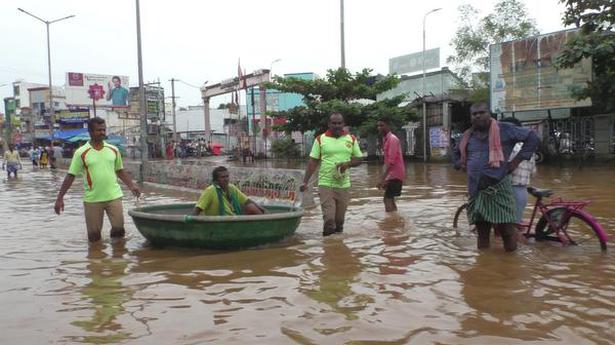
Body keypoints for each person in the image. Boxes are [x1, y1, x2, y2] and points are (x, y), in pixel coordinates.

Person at [453, 102, 539, 252]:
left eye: (482, 112)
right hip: (476, 190)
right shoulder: (467, 136)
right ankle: (484, 263)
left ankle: (511, 264)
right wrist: (459, 163)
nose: (478, 115)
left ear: (490, 114)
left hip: (498, 187)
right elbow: (455, 152)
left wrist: (515, 162)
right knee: (482, 233)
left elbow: (532, 137)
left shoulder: (505, 129)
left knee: (507, 231)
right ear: (471, 117)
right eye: (474, 114)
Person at [54, 117, 141, 242]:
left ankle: (117, 258)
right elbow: (70, 175)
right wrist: (60, 198)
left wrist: (132, 186)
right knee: (94, 237)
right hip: (92, 199)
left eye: (104, 130)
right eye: (98, 130)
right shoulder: (81, 152)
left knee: (119, 230)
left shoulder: (113, 150)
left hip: (114, 196)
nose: (102, 132)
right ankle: (96, 259)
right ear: (90, 131)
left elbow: (120, 170)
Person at [300, 112, 363, 236]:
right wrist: (305, 181)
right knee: (329, 221)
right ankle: (328, 250)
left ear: (343, 124)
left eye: (339, 123)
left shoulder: (351, 139)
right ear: (329, 124)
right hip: (325, 184)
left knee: (339, 222)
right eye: (334, 123)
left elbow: (359, 158)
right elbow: (313, 162)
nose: (337, 125)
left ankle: (337, 250)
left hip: (344, 184)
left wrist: (347, 164)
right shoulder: (320, 139)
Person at [501, 117, 537, 223]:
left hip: (510, 192)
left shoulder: (509, 148)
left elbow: (502, 170)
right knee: (515, 223)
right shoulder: (528, 147)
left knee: (507, 227)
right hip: (522, 191)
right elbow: (533, 172)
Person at [191, 166, 264, 216]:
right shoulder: (210, 191)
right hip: (219, 223)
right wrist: (191, 223)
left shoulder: (231, 188)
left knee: (251, 206)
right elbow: (198, 209)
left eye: (227, 176)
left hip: (234, 218)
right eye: (222, 177)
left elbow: (247, 201)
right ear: (216, 181)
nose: (226, 179)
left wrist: (261, 209)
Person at [376, 117, 406, 212]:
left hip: (395, 175)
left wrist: (382, 179)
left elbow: (391, 162)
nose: (379, 128)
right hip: (392, 175)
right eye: (378, 125)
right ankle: (395, 220)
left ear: (388, 126)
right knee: (390, 199)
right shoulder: (386, 139)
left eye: (381, 125)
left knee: (387, 199)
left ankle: (390, 224)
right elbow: (387, 161)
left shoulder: (392, 139)